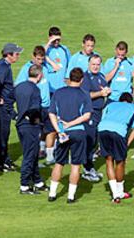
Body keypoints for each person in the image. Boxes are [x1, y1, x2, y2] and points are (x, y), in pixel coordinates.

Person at [48, 68, 92, 203]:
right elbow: (86, 115)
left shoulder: (58, 92)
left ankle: (52, 193)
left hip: (62, 133)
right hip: (78, 132)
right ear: (82, 79)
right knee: (75, 165)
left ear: (69, 78)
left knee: (59, 163)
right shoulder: (84, 94)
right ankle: (71, 196)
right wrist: (71, 124)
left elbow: (52, 113)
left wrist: (59, 129)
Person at [98, 92, 134, 203]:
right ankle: (120, 192)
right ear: (131, 101)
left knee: (108, 160)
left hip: (102, 129)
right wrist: (127, 144)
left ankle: (115, 194)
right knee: (120, 162)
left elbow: (103, 119)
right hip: (118, 132)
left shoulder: (110, 105)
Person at [14, 46, 54, 166]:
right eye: (38, 59)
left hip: (47, 105)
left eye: (42, 59)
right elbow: (18, 86)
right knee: (37, 131)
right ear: (33, 56)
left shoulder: (45, 67)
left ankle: (49, 155)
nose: (40, 61)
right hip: (35, 107)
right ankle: (38, 153)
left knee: (51, 130)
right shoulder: (27, 69)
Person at [14, 65, 49, 194]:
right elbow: (34, 109)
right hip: (31, 126)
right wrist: (39, 119)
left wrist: (15, 115)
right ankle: (24, 185)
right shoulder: (35, 90)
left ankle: (38, 182)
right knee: (29, 155)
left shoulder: (19, 86)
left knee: (33, 154)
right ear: (39, 75)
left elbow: (6, 101)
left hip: (21, 125)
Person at [0, 43, 23, 172]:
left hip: (5, 105)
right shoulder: (3, 68)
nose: (18, 56)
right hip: (3, 107)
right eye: (16, 54)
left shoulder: (4, 65)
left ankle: (4, 159)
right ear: (8, 54)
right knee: (2, 134)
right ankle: (0, 162)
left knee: (4, 133)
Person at [80, 54, 110, 182]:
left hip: (99, 112)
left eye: (98, 64)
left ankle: (88, 166)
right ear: (88, 64)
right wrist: (100, 93)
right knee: (90, 139)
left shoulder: (101, 76)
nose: (96, 67)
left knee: (94, 140)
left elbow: (104, 90)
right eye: (93, 64)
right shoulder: (86, 78)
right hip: (90, 112)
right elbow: (85, 95)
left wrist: (107, 91)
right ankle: (87, 169)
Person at [44, 26, 71, 93]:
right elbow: (40, 55)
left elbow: (70, 65)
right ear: (49, 38)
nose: (56, 42)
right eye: (54, 40)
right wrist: (49, 42)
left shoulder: (64, 49)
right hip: (49, 88)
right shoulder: (45, 49)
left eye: (58, 40)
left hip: (63, 87)